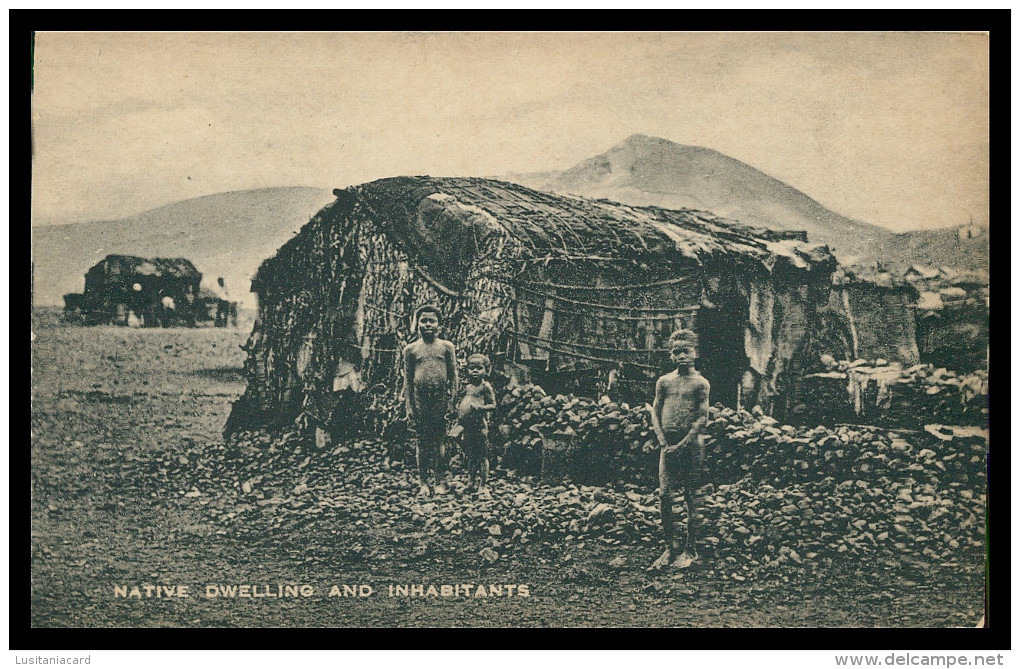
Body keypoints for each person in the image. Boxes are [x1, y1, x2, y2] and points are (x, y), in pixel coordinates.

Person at [650, 329, 710, 569]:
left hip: (691, 447)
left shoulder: (701, 383)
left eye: (685, 351)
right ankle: (669, 549)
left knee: (691, 498)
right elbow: (655, 412)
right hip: (668, 447)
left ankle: (690, 549)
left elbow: (702, 418)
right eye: (676, 352)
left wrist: (682, 444)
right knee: (665, 495)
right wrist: (664, 443)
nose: (681, 356)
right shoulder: (664, 381)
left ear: (695, 352)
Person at [401, 305, 458, 497]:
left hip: (440, 399)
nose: (427, 325)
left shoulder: (446, 347)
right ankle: (423, 482)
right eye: (423, 321)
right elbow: (407, 380)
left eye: (431, 321)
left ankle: (440, 480)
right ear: (417, 324)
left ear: (439, 325)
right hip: (420, 400)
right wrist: (409, 406)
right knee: (422, 442)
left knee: (440, 440)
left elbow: (454, 377)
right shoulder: (411, 350)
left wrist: (451, 402)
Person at [455, 353, 497, 493]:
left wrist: (480, 408)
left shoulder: (485, 387)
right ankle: (470, 482)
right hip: (468, 425)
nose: (474, 371)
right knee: (471, 456)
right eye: (471, 368)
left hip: (480, 425)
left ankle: (483, 485)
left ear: (486, 370)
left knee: (482, 456)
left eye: (479, 368)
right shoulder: (468, 387)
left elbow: (493, 405)